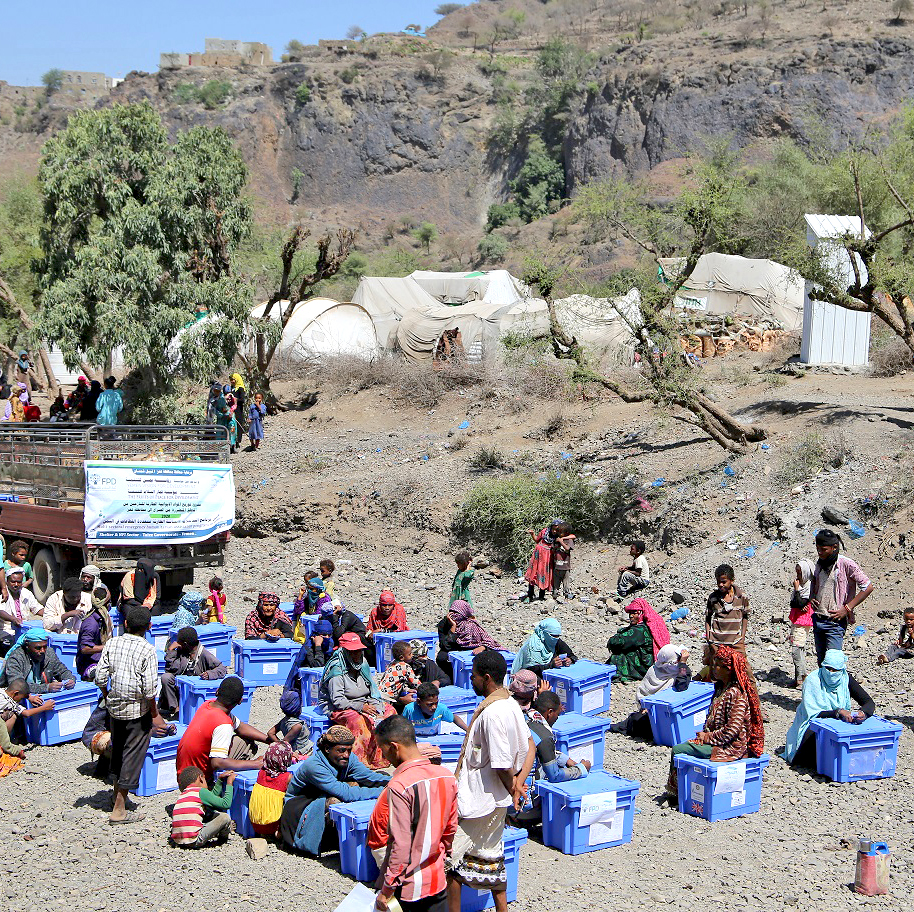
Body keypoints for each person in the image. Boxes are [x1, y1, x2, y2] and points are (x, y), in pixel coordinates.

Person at [447, 650, 535, 912]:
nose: (470, 680)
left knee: (450, 862)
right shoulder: (510, 703)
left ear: (486, 678)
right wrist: (518, 784)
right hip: (495, 798)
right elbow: (530, 746)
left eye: (473, 676)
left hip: (480, 801)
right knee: (490, 856)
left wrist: (514, 787)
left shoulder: (493, 713)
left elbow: (500, 763)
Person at [368, 715, 458, 912]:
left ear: (394, 746)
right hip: (437, 880)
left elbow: (401, 845)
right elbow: (450, 829)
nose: (384, 757)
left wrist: (387, 888)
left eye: (383, 750)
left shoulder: (399, 785)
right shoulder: (446, 776)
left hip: (409, 888)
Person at [664, 645, 765, 802]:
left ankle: (675, 794)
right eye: (714, 664)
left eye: (720, 666)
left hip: (730, 746)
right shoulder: (720, 688)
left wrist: (707, 737)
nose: (715, 669)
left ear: (730, 670)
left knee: (678, 750)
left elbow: (731, 731)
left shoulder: (735, 694)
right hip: (717, 738)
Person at [95, 607, 167, 823]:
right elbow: (149, 690)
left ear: (125, 624)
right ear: (149, 627)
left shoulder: (113, 643)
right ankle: (118, 810)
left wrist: (108, 695)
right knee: (132, 756)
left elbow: (99, 677)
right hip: (138, 712)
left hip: (115, 709)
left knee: (118, 751)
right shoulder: (148, 650)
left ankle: (117, 796)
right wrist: (154, 714)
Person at [279, 725, 389, 855]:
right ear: (327, 749)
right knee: (337, 800)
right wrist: (387, 792)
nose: (346, 755)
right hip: (300, 807)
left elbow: (369, 777)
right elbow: (346, 794)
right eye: (341, 750)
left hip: (322, 795)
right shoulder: (314, 766)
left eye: (349, 750)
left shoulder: (349, 759)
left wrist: (397, 780)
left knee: (376, 779)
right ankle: (325, 840)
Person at [317, 631, 396, 769]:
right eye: (353, 652)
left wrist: (377, 708)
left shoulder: (362, 664)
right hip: (339, 706)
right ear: (344, 652)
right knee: (358, 720)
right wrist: (361, 707)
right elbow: (337, 701)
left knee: (389, 713)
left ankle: (381, 757)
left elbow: (373, 691)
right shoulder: (336, 669)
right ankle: (358, 762)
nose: (357, 655)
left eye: (359, 651)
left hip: (364, 700)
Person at [783, 649, 875, 767]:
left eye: (835, 670)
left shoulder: (845, 678)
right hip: (811, 723)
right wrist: (838, 712)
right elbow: (814, 713)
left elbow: (868, 702)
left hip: (837, 722)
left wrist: (863, 713)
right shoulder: (813, 680)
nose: (831, 673)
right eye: (828, 669)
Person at [176, 676, 270, 784]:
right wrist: (256, 764)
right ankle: (219, 788)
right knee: (247, 745)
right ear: (240, 701)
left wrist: (271, 741)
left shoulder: (207, 705)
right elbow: (217, 762)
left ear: (217, 692)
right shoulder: (223, 724)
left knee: (244, 741)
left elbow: (241, 727)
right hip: (199, 783)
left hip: (183, 776)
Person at [809, 529, 874, 665]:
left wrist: (847, 608)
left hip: (835, 622)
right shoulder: (820, 563)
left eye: (823, 549)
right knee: (822, 662)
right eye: (817, 549)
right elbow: (814, 581)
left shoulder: (846, 564)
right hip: (819, 619)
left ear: (834, 547)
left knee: (833, 663)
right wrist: (812, 596)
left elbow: (867, 587)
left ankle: (851, 687)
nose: (819, 552)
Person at [609, 645, 691, 739]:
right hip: (653, 713)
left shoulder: (675, 673)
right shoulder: (654, 671)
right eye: (678, 661)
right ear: (669, 663)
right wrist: (647, 706)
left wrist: (683, 664)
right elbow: (644, 693)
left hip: (667, 713)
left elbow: (682, 686)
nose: (679, 665)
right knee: (638, 721)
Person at [159, 627, 228, 720]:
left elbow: (222, 669)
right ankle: (175, 709)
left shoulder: (203, 654)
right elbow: (169, 670)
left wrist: (209, 674)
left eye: (179, 642)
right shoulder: (181, 652)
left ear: (185, 644)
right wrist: (171, 651)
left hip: (193, 692)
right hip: (179, 690)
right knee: (166, 677)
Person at [607, 597, 671, 682]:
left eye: (634, 613)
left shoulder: (639, 630)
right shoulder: (650, 625)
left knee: (618, 655)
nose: (631, 616)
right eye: (630, 613)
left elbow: (616, 642)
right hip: (652, 663)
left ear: (641, 614)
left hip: (644, 667)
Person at [170, 766, 235, 848]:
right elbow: (226, 804)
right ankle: (223, 837)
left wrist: (219, 780)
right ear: (201, 778)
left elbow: (211, 797)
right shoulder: (200, 791)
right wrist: (230, 783)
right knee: (224, 817)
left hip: (178, 841)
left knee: (208, 811)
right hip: (195, 840)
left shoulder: (184, 794)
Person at [0, 627, 75, 694]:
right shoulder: (16, 658)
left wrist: (70, 680)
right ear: (27, 646)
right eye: (38, 648)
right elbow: (17, 685)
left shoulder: (49, 653)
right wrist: (46, 688)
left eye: (45, 647)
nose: (42, 651)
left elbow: (62, 670)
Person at [249, 741, 296, 838]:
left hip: (256, 825)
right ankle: (278, 833)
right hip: (273, 824)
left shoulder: (261, 773)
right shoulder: (287, 778)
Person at [1, 677, 55, 758]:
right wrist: (45, 707)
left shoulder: (3, 691)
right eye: (21, 698)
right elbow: (26, 713)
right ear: (15, 693)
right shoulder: (8, 702)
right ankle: (3, 744)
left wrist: (30, 697)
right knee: (12, 716)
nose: (20, 701)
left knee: (12, 715)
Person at [705, 564, 751, 656]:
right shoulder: (713, 598)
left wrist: (742, 636)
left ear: (732, 580)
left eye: (723, 582)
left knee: (744, 668)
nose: (720, 585)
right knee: (717, 668)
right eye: (718, 582)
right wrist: (708, 636)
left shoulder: (742, 596)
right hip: (716, 642)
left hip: (735, 641)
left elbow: (745, 616)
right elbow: (708, 617)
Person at [511, 618, 576, 677]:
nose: (555, 638)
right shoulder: (531, 647)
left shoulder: (556, 641)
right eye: (553, 636)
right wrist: (550, 665)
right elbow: (529, 670)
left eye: (558, 636)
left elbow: (572, 655)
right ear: (543, 633)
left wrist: (570, 660)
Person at [0, 568, 42, 655]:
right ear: (7, 582)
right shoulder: (3, 594)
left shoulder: (26, 593)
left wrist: (50, 614)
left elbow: (37, 608)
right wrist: (13, 619)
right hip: (7, 631)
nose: (16, 585)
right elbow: (1, 611)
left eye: (19, 582)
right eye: (13, 582)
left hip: (24, 629)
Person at [402, 683, 469, 737]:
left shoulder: (441, 709)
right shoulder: (410, 710)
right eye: (429, 704)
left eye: (436, 703)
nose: (434, 707)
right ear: (419, 702)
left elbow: (454, 718)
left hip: (433, 740)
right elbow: (401, 726)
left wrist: (469, 731)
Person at [76, 588, 115, 681]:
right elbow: (85, 648)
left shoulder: (102, 619)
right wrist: (108, 646)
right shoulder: (91, 624)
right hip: (89, 663)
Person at [788, 560, 815, 688]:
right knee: (799, 649)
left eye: (800, 572)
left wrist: (797, 590)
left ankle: (802, 676)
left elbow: (799, 603)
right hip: (797, 619)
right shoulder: (802, 586)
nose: (798, 575)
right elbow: (794, 603)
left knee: (796, 650)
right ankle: (799, 676)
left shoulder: (809, 586)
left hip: (802, 621)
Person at [267, 688, 314, 755]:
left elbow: (270, 733)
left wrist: (278, 742)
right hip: (302, 753)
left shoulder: (285, 720)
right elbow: (285, 743)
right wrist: (291, 752)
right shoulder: (297, 726)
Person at [521, 522, 559, 603]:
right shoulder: (544, 531)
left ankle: (541, 596)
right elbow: (536, 540)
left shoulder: (558, 536)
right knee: (533, 573)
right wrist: (532, 534)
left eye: (556, 529)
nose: (555, 531)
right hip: (538, 555)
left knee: (545, 574)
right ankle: (530, 595)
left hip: (548, 557)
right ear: (551, 527)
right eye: (554, 529)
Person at [378, 641, 422, 708]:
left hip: (380, 694)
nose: (412, 655)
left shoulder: (392, 664)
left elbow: (396, 682)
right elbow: (416, 683)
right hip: (388, 698)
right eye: (410, 654)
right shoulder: (405, 666)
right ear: (402, 657)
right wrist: (425, 690)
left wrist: (406, 689)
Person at [551, 523, 576, 602]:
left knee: (566, 583)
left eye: (561, 532)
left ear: (566, 532)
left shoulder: (569, 540)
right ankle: (555, 596)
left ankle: (566, 597)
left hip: (565, 567)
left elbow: (567, 548)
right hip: (557, 566)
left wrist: (561, 542)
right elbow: (552, 550)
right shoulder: (556, 540)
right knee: (556, 583)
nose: (559, 533)